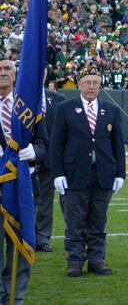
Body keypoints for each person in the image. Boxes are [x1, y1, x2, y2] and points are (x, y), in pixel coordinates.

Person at [50, 64, 125, 277]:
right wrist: (58, 173)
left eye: (95, 83)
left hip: (103, 174)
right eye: (87, 83)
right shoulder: (65, 108)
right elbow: (56, 144)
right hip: (75, 174)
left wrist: (120, 173)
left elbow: (118, 144)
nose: (91, 86)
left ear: (100, 86)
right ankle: (75, 260)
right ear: (79, 85)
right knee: (75, 220)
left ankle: (96, 259)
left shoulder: (111, 110)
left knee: (98, 219)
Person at [0, 58, 48, 303]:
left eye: (7, 68)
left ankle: (16, 298)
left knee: (21, 243)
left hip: (24, 187)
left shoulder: (28, 108)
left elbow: (44, 144)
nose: (3, 73)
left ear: (16, 73)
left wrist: (34, 154)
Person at [34, 87, 65, 253]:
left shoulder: (58, 99)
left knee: (45, 201)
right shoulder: (20, 96)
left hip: (49, 158)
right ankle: (23, 236)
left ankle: (42, 237)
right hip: (25, 157)